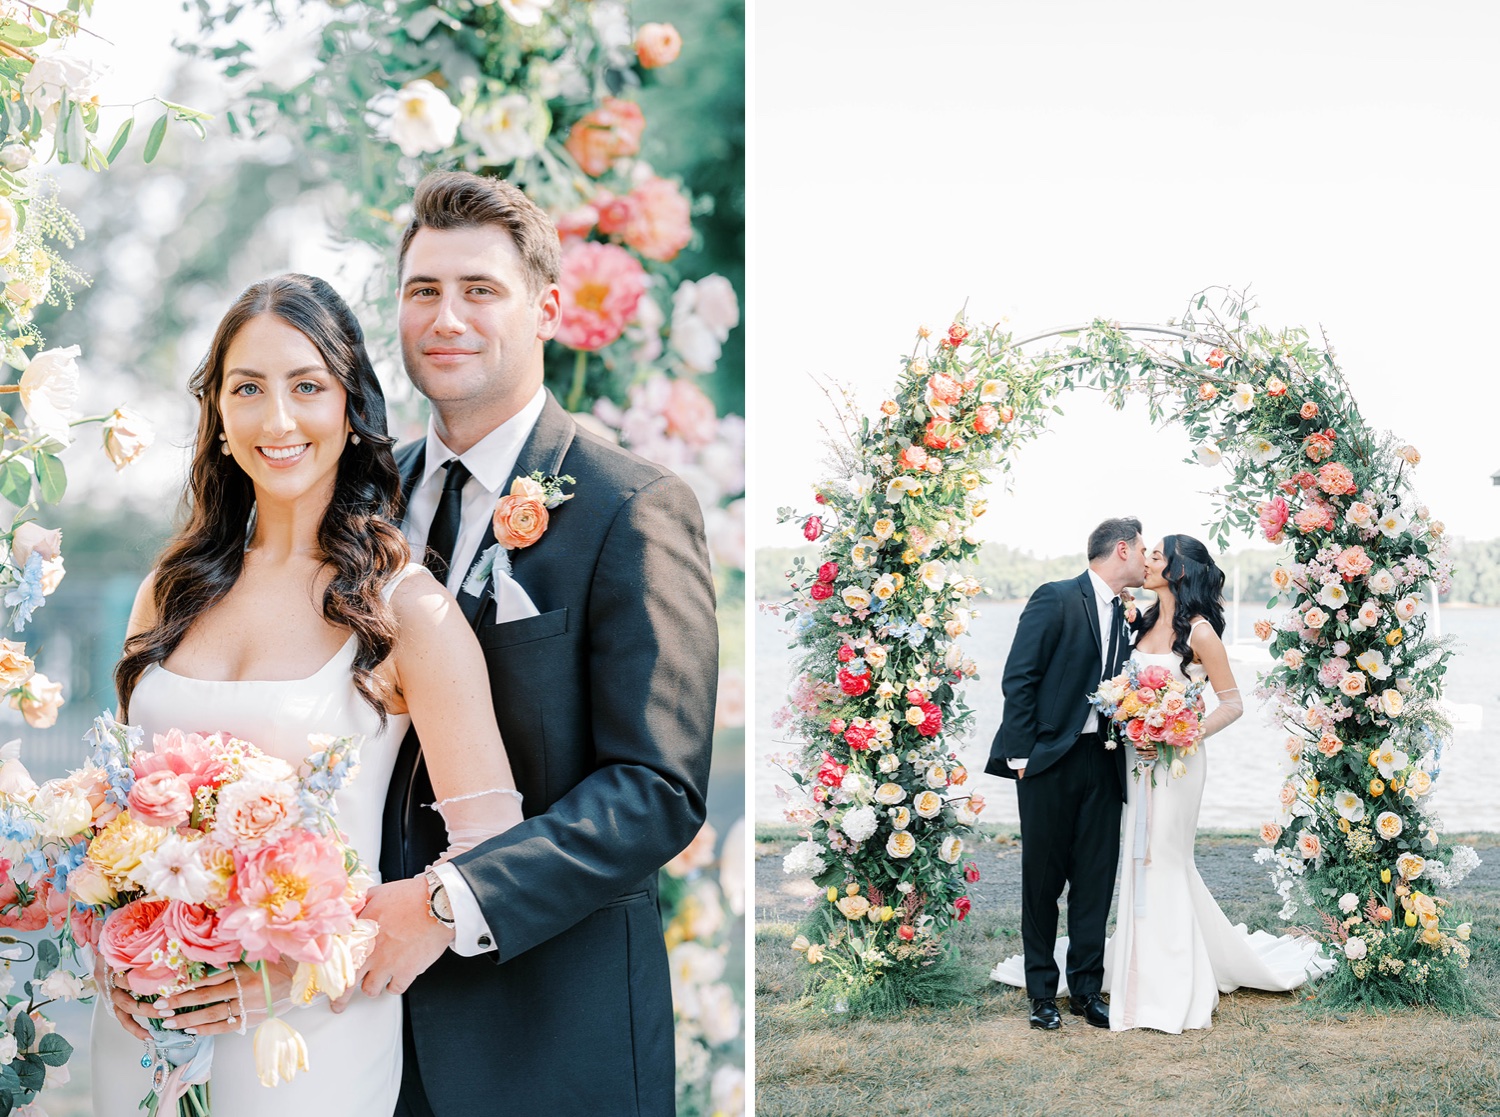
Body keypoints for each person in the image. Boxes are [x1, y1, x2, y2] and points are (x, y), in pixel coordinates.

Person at [93, 273, 525, 1114]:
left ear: (350, 410)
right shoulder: (168, 592)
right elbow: (122, 813)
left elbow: (489, 846)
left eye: (307, 387)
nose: (277, 419)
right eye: (247, 388)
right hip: (144, 1031)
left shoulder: (406, 608)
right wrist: (114, 934)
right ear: (217, 415)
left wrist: (303, 968)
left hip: (308, 1043)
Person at [362, 171, 717, 1116]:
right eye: (423, 290)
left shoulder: (631, 508)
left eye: (481, 290)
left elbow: (657, 790)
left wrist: (446, 904)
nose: (447, 317)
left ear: (548, 308)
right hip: (361, 1034)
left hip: (551, 1040)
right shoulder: (363, 502)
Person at [1106, 534, 1328, 1033]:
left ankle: (1173, 984)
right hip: (1136, 758)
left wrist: (1177, 732)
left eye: (1158, 555)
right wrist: (1135, 724)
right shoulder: (1139, 621)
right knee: (1138, 856)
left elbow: (1232, 704)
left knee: (1163, 854)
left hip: (1178, 762)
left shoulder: (1201, 632)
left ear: (1180, 569)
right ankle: (1139, 967)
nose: (1148, 561)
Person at [984, 517, 1145, 1031]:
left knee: (1095, 880)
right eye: (1143, 549)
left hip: (1105, 757)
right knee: (1043, 880)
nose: (1147, 558)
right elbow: (1020, 676)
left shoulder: (1128, 615)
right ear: (1122, 549)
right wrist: (1021, 755)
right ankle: (1040, 994)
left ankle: (1086, 990)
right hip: (1048, 761)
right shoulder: (1054, 598)